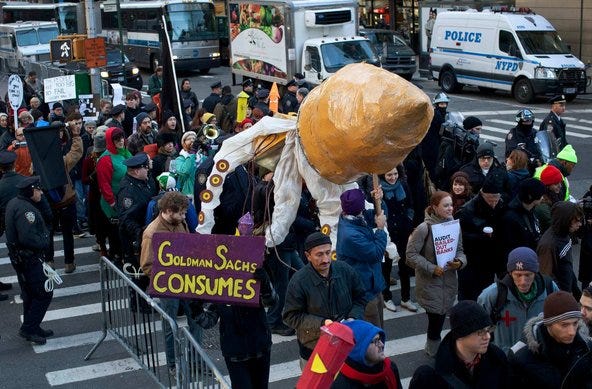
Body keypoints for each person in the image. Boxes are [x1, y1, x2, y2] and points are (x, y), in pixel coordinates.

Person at [139, 191, 207, 375]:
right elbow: (146, 265)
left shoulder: (179, 223)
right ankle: (172, 364)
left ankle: (196, 362)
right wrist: (166, 277)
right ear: (169, 211)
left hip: (186, 281)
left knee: (196, 320)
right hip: (168, 288)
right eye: (182, 213)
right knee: (170, 326)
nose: (185, 217)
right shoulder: (152, 233)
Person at [283, 232, 367, 368]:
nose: (326, 259)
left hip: (345, 343)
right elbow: (290, 316)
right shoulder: (298, 281)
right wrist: (322, 324)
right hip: (314, 348)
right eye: (319, 255)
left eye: (328, 253)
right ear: (307, 256)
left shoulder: (344, 270)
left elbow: (360, 297)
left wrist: (353, 317)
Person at [406, 191, 466, 357]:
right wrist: (432, 268)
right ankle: (434, 353)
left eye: (451, 205)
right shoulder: (423, 228)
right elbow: (410, 256)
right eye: (445, 206)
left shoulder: (454, 224)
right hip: (430, 285)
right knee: (436, 322)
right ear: (434, 207)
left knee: (441, 320)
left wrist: (459, 262)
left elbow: (460, 250)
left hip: (449, 284)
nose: (450, 209)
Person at [409, 300, 509, 389]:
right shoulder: (428, 376)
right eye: (480, 332)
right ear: (460, 335)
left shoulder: (497, 358)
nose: (487, 336)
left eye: (488, 330)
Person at [477, 247, 558, 353]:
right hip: (505, 359)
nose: (523, 281)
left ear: (535, 273)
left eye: (528, 275)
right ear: (510, 273)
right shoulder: (492, 295)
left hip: (539, 358)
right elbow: (477, 330)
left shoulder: (549, 289)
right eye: (518, 275)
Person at [508, 291, 592, 388]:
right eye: (564, 325)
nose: (572, 332)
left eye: (575, 323)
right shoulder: (520, 355)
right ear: (549, 324)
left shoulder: (585, 348)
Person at [5, 176, 53, 345]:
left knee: (30, 293)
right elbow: (29, 238)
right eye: (38, 190)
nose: (41, 193)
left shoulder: (14, 203)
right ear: (31, 191)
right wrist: (46, 240)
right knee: (44, 293)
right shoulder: (27, 211)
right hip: (29, 258)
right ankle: (29, 328)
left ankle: (33, 325)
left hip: (21, 258)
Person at [337, 188, 387, 327]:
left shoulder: (354, 217)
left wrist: (378, 201)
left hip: (372, 284)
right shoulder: (350, 235)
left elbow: (378, 215)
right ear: (360, 208)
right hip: (364, 291)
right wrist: (381, 229)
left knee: (379, 327)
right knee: (372, 333)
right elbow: (376, 254)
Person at [456, 177, 505, 300]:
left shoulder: (501, 205)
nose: (493, 204)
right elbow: (461, 237)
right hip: (472, 260)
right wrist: (482, 237)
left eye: (496, 200)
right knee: (469, 295)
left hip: (490, 259)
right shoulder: (468, 210)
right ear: (483, 194)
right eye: (490, 201)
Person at [46, 116, 83, 273]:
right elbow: (76, 152)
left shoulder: (41, 155)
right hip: (66, 198)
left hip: (48, 199)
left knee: (49, 232)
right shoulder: (61, 159)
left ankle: (50, 261)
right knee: (66, 233)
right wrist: (76, 135)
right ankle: (68, 262)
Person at [379, 166, 418, 313]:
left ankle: (406, 298)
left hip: (402, 231)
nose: (393, 177)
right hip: (388, 233)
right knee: (386, 267)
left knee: (404, 265)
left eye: (395, 174)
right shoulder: (378, 190)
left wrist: (409, 221)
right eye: (389, 175)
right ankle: (387, 297)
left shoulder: (403, 185)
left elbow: (410, 206)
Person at [332, 320, 403, 389]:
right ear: (360, 348)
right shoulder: (341, 384)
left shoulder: (390, 368)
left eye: (380, 339)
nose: (381, 344)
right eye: (375, 341)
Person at [117, 152, 156, 269]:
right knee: (139, 276)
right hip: (136, 240)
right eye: (146, 167)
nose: (148, 169)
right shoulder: (128, 190)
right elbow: (126, 219)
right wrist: (141, 234)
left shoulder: (147, 180)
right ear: (136, 171)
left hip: (147, 233)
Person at [537, 201, 584, 298]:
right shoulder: (549, 244)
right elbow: (546, 276)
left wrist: (575, 291)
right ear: (565, 220)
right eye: (576, 221)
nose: (579, 224)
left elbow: (567, 266)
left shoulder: (564, 234)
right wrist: (562, 296)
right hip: (559, 296)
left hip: (567, 290)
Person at [500, 178, 546, 262]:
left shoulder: (532, 210)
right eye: (540, 195)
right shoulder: (510, 218)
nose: (543, 198)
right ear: (530, 197)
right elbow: (508, 248)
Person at [420, 92, 448, 181]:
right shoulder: (436, 115)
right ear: (436, 104)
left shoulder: (442, 115)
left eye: (445, 104)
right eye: (441, 104)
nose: (443, 106)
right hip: (431, 146)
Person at [534, 164, 565, 234]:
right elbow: (554, 226)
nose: (560, 186)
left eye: (560, 182)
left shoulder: (555, 194)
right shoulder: (542, 206)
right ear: (547, 186)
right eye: (556, 184)